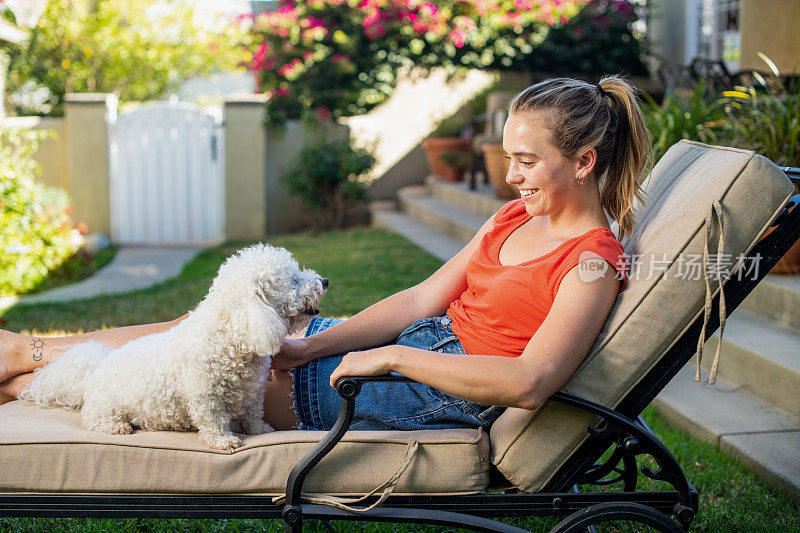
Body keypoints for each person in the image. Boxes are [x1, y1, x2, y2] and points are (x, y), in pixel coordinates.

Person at [0, 76, 651, 434]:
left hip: (429, 391)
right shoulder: (514, 215)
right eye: (509, 156)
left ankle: (28, 378)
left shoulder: (591, 261)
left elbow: (530, 383)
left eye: (527, 160)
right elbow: (422, 298)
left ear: (584, 161)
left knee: (204, 358)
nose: (509, 175)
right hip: (417, 351)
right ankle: (29, 356)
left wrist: (390, 354)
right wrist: (318, 342)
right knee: (205, 329)